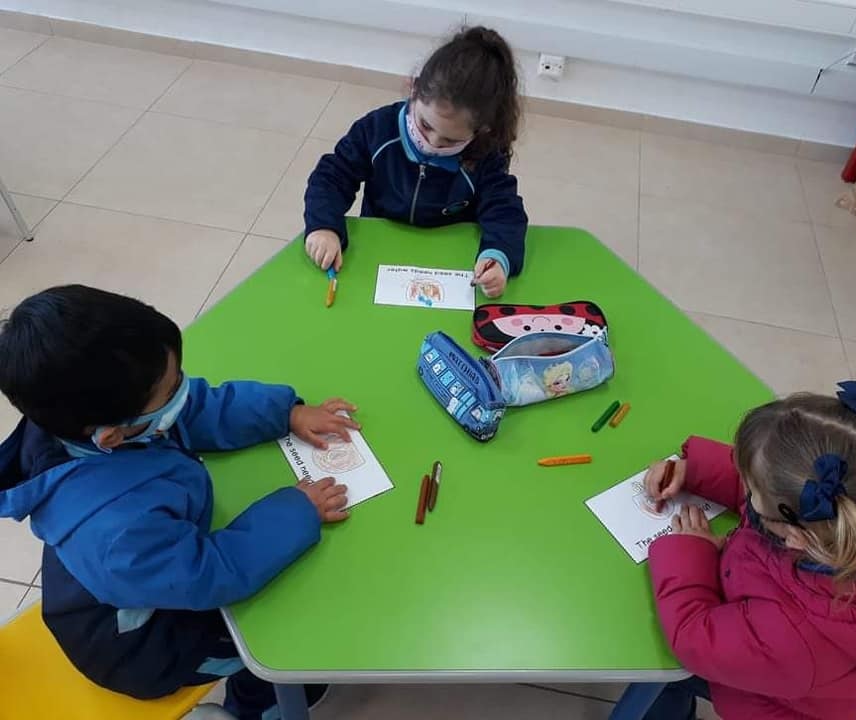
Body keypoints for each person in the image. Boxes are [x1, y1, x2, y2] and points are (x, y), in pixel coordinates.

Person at [0, 285, 358, 720]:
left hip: (146, 577)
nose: (184, 392)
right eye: (170, 391)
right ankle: (258, 705)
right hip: (142, 647)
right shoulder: (118, 534)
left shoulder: (95, 421)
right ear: (112, 437)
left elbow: (198, 409)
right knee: (275, 628)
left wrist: (285, 413)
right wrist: (297, 510)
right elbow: (212, 572)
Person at [642, 372, 856, 720]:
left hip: (764, 699)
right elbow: (784, 486)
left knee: (665, 674)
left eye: (751, 489)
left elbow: (694, 639)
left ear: (794, 536)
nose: (747, 491)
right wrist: (697, 470)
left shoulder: (794, 637)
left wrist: (690, 552)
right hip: (800, 665)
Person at [303, 25, 527, 299]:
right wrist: (324, 226)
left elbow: (504, 210)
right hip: (379, 252)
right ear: (415, 90)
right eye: (424, 125)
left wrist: (498, 256)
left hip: (452, 263)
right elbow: (332, 176)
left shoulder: (485, 153)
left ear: (481, 131)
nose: (432, 143)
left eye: (449, 141)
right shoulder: (377, 129)